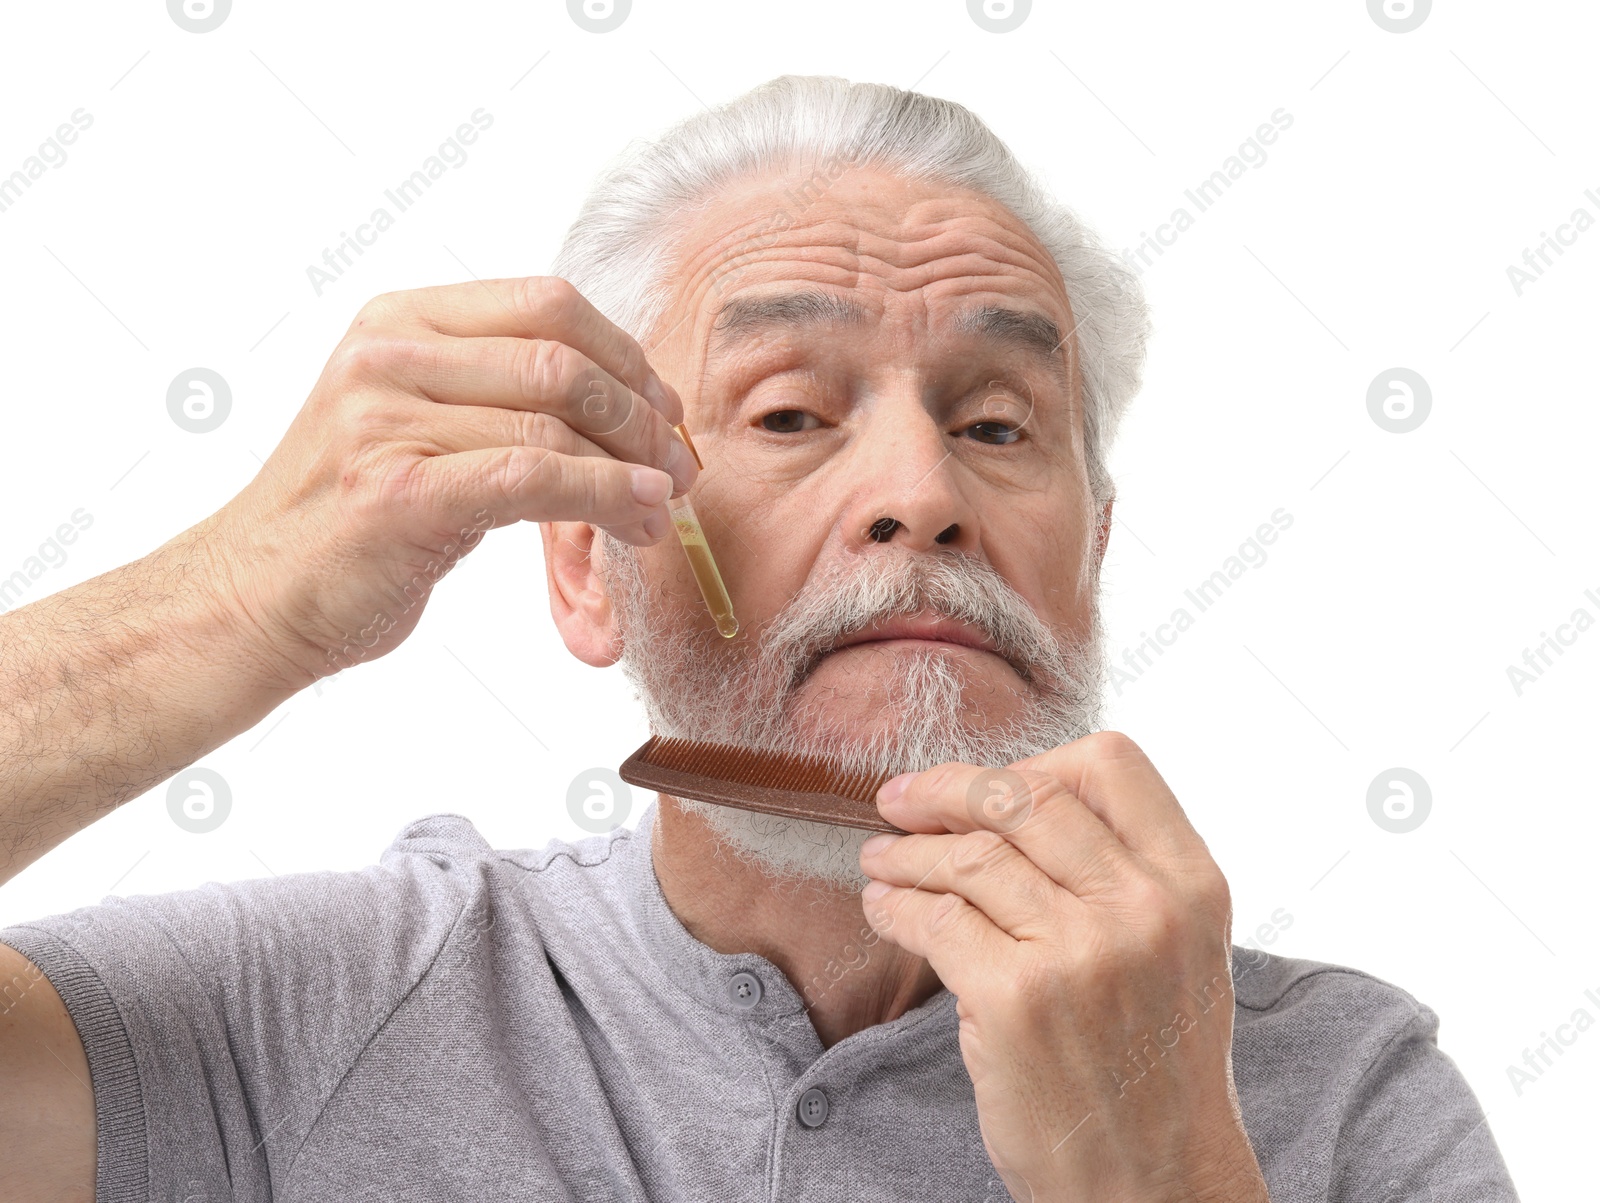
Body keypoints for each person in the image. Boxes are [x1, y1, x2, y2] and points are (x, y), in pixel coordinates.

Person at [0, 74, 1516, 1202]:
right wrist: (237, 599)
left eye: (997, 425)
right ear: (588, 570)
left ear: (1092, 562)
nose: (921, 494)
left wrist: (1164, 1167)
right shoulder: (311, 1012)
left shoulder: (1339, 1096)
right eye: (791, 413)